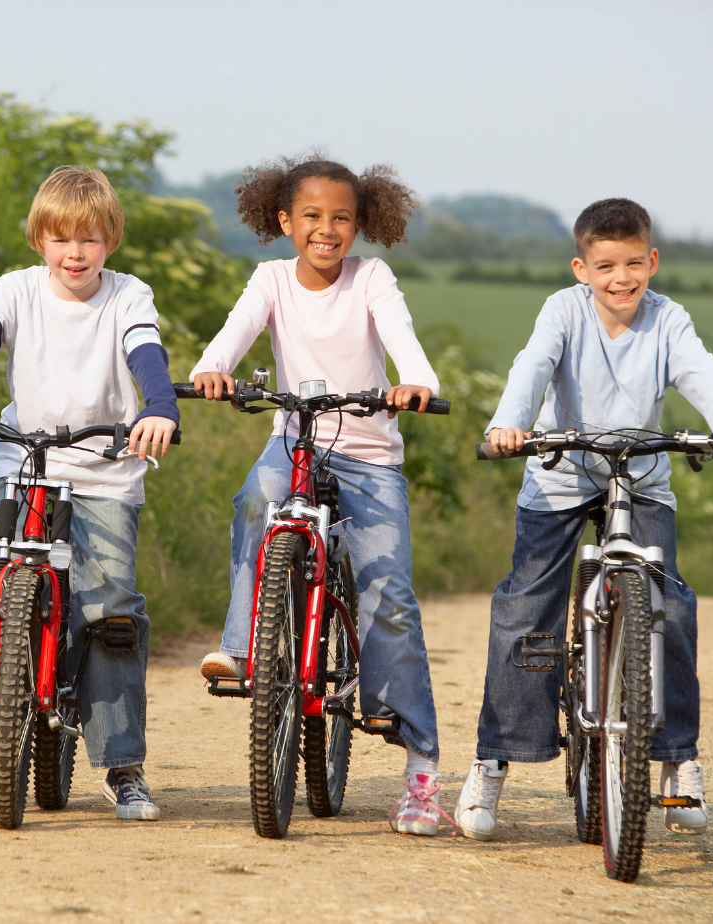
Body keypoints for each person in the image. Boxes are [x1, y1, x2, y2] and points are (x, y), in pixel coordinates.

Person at [455, 197, 713, 841]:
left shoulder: (668, 319)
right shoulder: (563, 310)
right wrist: (509, 423)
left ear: (652, 261)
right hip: (560, 471)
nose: (620, 278)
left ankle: (678, 762)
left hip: (640, 473)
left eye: (632, 264)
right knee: (525, 605)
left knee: (668, 605)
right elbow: (533, 363)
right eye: (604, 266)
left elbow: (700, 371)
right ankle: (493, 760)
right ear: (581, 268)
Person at [190, 156, 450, 836]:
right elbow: (232, 334)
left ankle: (420, 771)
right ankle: (245, 647)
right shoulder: (271, 279)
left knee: (388, 592)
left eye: (341, 218)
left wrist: (414, 380)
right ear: (285, 221)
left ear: (359, 224)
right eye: (311, 217)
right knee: (256, 501)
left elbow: (402, 339)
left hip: (368, 457)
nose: (326, 230)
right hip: (295, 443)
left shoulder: (372, 278)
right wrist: (213, 368)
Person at [0, 166, 179, 821]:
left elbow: (146, 355)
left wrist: (160, 407)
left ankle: (122, 766)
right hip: (26, 469)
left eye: (88, 239)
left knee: (111, 611)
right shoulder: (18, 292)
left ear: (109, 240)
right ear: (40, 240)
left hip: (105, 472)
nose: (75, 253)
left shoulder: (128, 297)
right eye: (61, 240)